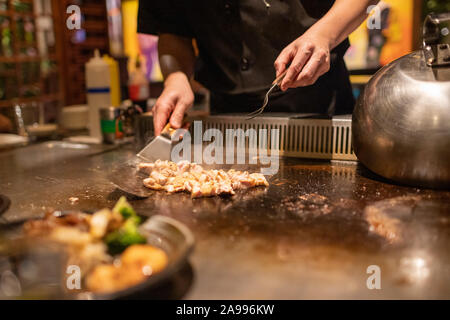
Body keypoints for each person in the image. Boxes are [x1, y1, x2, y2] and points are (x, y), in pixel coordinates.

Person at [138, 0, 379, 135]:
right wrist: (176, 77)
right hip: (225, 118)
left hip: (321, 106)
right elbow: (170, 26)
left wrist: (324, 34)